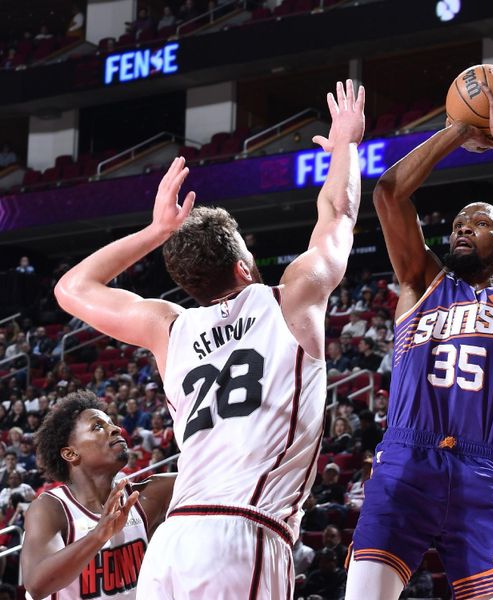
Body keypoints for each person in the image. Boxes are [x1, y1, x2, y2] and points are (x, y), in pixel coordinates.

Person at [53, 81, 366, 598]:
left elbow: (71, 288)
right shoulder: (291, 300)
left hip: (171, 543)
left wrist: (155, 231)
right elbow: (338, 215)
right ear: (244, 267)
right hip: (243, 529)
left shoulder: (167, 328)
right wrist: (346, 146)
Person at [347, 67, 493, 600]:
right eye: (458, 223)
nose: (463, 227)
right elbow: (388, 193)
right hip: (406, 461)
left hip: (481, 469)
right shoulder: (420, 283)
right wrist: (461, 126)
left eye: (479, 223)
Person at [20, 392, 175, 599]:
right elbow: (37, 586)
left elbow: (214, 472)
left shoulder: (146, 496)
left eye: (112, 423)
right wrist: (98, 535)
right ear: (70, 454)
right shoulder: (51, 508)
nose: (116, 429)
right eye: (98, 426)